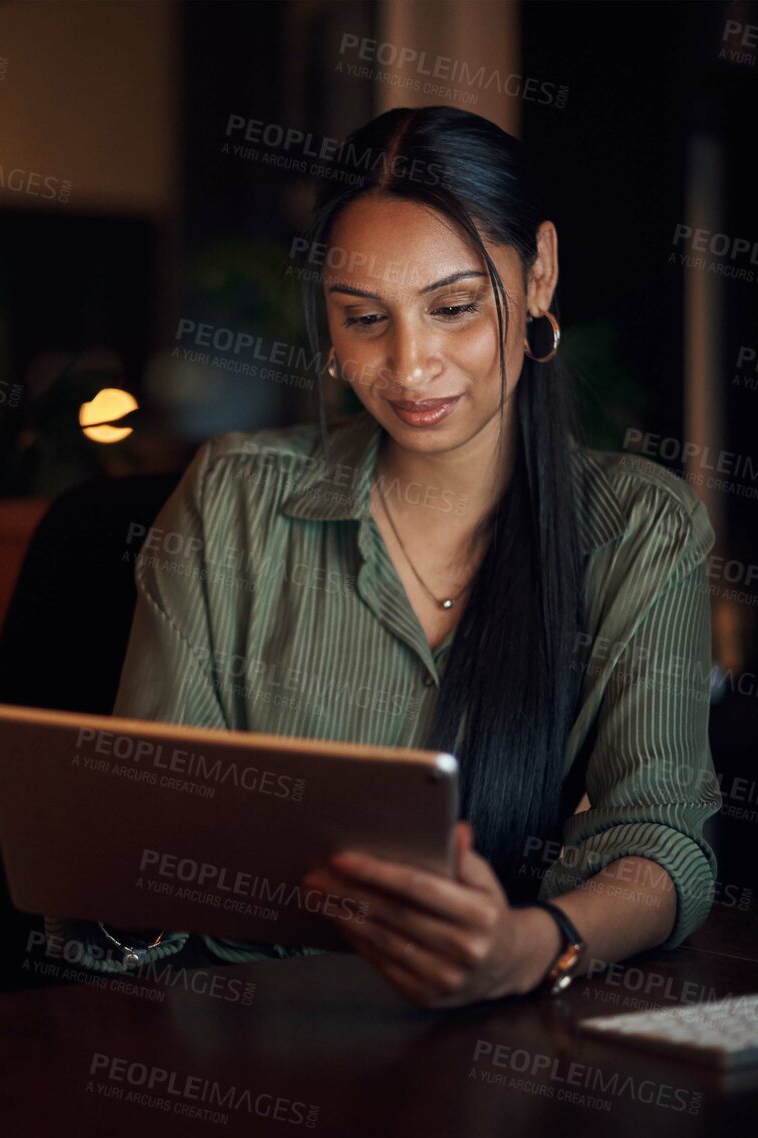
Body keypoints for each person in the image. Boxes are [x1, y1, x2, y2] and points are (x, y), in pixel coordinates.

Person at [46, 104, 719, 1008]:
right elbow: (155, 825)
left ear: (541, 273)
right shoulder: (236, 500)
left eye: (452, 308)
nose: (409, 367)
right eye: (365, 319)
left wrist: (530, 944)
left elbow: (660, 842)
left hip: (498, 1032)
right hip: (244, 1033)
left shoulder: (637, 528)